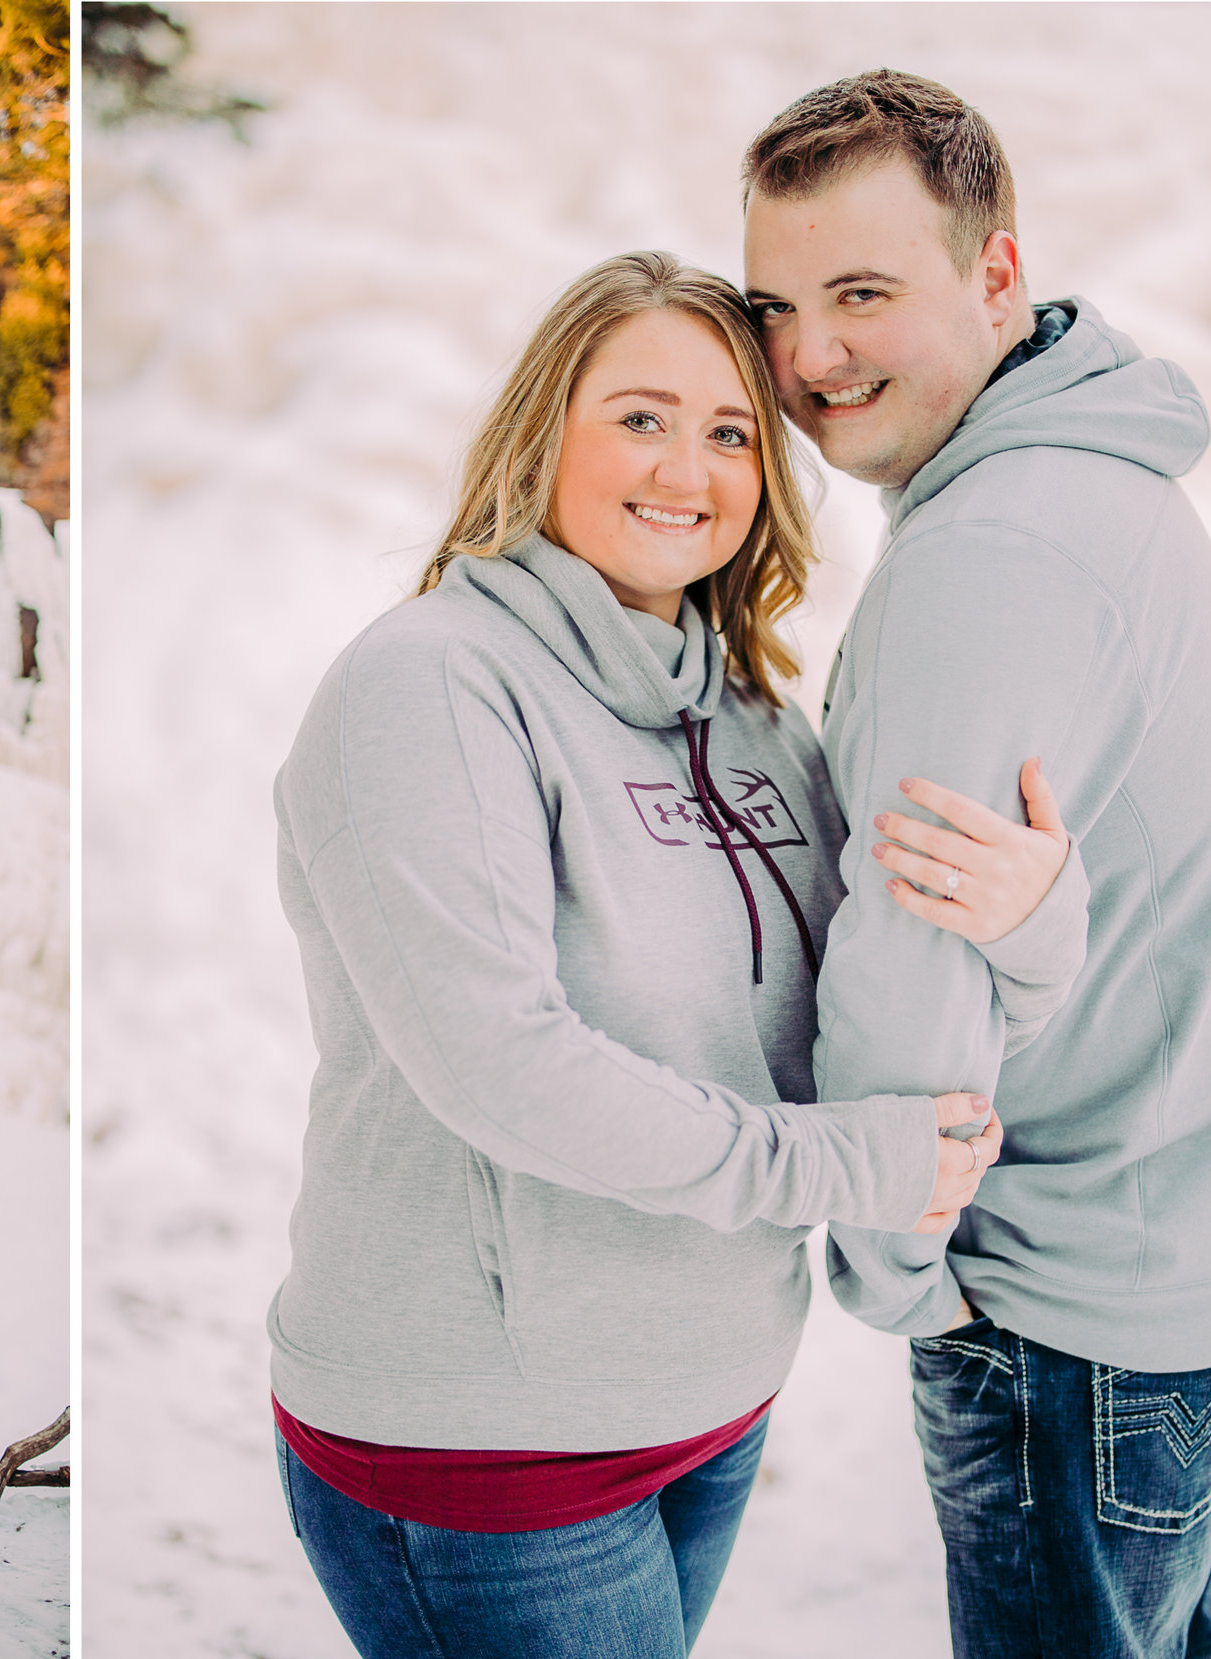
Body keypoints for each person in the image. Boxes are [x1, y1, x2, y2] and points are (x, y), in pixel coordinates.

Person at [268, 251, 1082, 1657]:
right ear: (546, 430)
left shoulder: (761, 720)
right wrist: (842, 1165)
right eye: (641, 415)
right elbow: (500, 1066)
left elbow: (893, 973)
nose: (686, 467)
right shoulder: (431, 684)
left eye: (728, 432)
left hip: (711, 1399)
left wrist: (1031, 911)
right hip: (487, 1435)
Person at [741, 71, 1211, 1659]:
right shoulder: (1090, 469)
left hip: (1077, 1306)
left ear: (998, 274)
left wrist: (897, 1262)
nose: (808, 358)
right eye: (776, 305)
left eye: (863, 293)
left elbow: (908, 949)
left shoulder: (993, 551)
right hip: (1196, 1240)